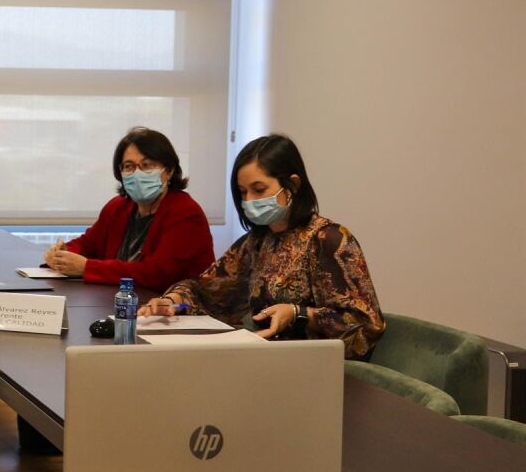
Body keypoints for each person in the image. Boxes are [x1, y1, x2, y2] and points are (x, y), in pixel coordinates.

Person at [139, 134, 386, 358]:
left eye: (259, 190)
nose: (249, 201)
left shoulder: (328, 240)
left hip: (318, 368)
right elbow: (208, 290)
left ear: (293, 185)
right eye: (242, 192)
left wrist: (298, 313)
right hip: (266, 360)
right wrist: (171, 300)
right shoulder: (258, 242)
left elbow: (365, 326)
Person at [43, 127, 214, 291]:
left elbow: (156, 275)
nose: (137, 173)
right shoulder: (117, 207)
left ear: (169, 171)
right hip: (121, 302)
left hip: (175, 307)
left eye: (147, 165)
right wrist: (62, 256)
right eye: (129, 166)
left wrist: (86, 267)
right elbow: (87, 244)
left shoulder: (186, 214)